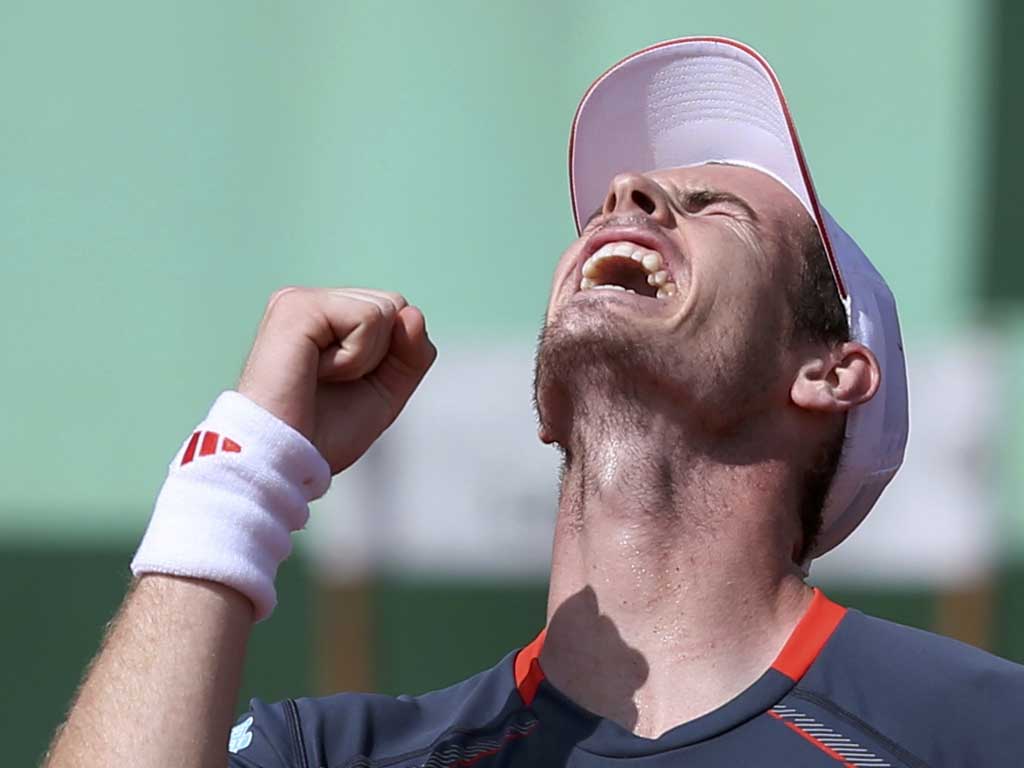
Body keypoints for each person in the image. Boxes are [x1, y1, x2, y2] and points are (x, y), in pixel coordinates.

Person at [45, 37, 1024, 768]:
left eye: (713, 206)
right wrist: (245, 466)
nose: (628, 191)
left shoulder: (978, 729)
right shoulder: (352, 753)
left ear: (826, 370)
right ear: (548, 410)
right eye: (614, 201)